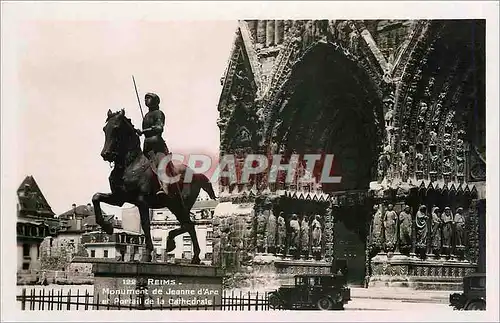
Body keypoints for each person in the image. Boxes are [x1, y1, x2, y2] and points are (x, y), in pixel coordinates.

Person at [136, 92, 171, 195]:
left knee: (161, 164)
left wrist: (143, 131)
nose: (146, 100)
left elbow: (159, 128)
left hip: (157, 145)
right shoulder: (146, 116)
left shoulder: (159, 113)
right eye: (145, 98)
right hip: (147, 145)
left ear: (155, 101)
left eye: (148, 98)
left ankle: (164, 188)